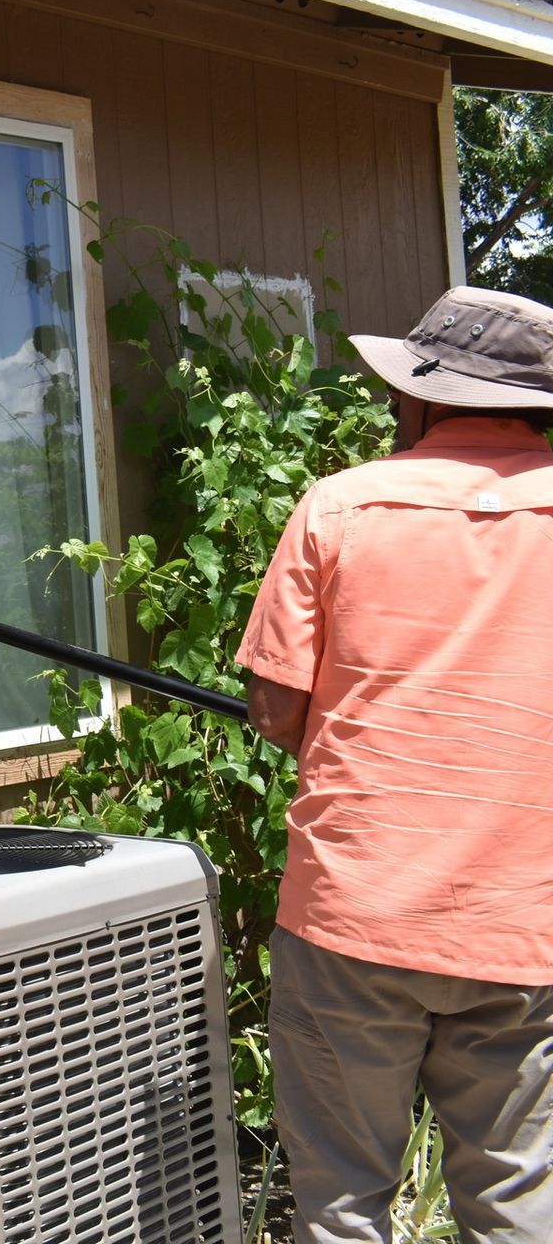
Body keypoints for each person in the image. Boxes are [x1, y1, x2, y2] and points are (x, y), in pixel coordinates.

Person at [238, 285, 553, 1243]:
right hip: (528, 926)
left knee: (341, 1206)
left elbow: (275, 709)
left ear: (420, 398)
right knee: (518, 1203)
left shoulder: (340, 506)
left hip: (354, 913)